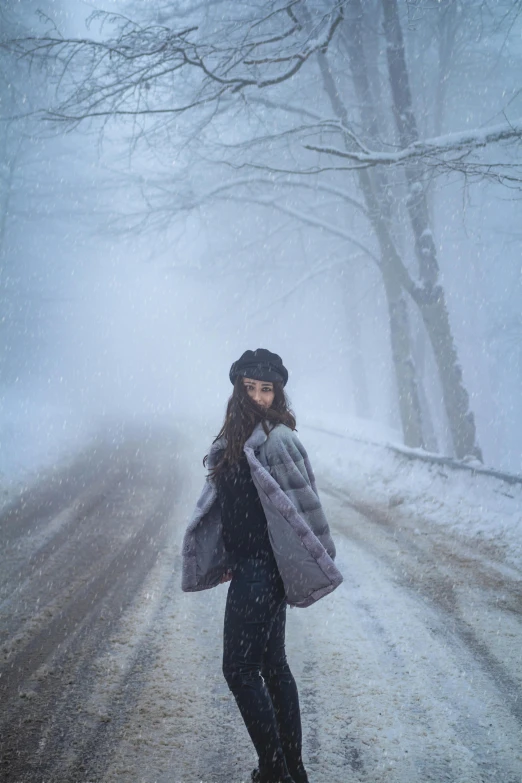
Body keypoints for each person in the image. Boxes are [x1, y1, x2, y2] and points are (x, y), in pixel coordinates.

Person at [182, 348, 343, 783]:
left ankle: (275, 771)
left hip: (264, 569)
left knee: (238, 669)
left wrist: (289, 565)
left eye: (265, 389)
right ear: (238, 390)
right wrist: (231, 555)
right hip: (251, 564)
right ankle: (292, 769)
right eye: (249, 387)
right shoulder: (238, 436)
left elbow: (304, 512)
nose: (256, 395)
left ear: (277, 393)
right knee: (272, 666)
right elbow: (240, 507)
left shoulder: (277, 439)